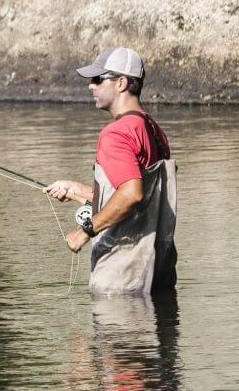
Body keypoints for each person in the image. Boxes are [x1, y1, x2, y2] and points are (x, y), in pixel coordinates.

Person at [44, 48, 177, 294]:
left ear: (121, 82)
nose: (90, 87)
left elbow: (131, 195)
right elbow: (138, 197)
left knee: (114, 334)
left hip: (123, 273)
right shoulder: (152, 129)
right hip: (159, 269)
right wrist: (75, 190)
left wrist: (86, 231)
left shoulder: (115, 134)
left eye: (97, 80)